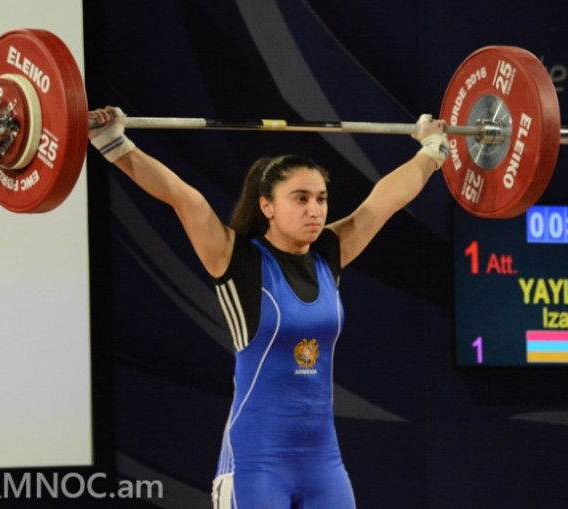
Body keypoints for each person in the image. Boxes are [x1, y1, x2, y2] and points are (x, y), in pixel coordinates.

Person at [88, 106, 448, 509]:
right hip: (255, 465)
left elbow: (384, 201)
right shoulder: (235, 258)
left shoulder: (329, 253)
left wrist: (432, 151)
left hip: (323, 464)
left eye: (321, 199)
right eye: (301, 199)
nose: (315, 210)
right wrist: (112, 142)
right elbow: (183, 198)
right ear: (267, 206)